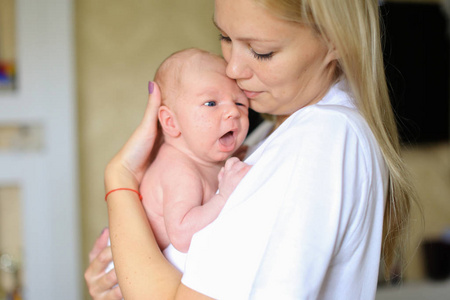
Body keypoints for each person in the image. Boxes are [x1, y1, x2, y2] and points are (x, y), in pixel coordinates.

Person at [85, 0, 417, 299]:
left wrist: (120, 178)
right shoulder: (270, 133)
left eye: (260, 50)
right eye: (226, 38)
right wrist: (125, 272)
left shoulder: (320, 138)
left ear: (334, 40)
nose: (232, 70)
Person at [106, 48, 251, 274]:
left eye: (240, 103)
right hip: (133, 278)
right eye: (211, 103)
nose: (233, 111)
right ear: (171, 122)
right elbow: (183, 235)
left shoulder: (200, 157)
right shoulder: (179, 170)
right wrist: (224, 196)